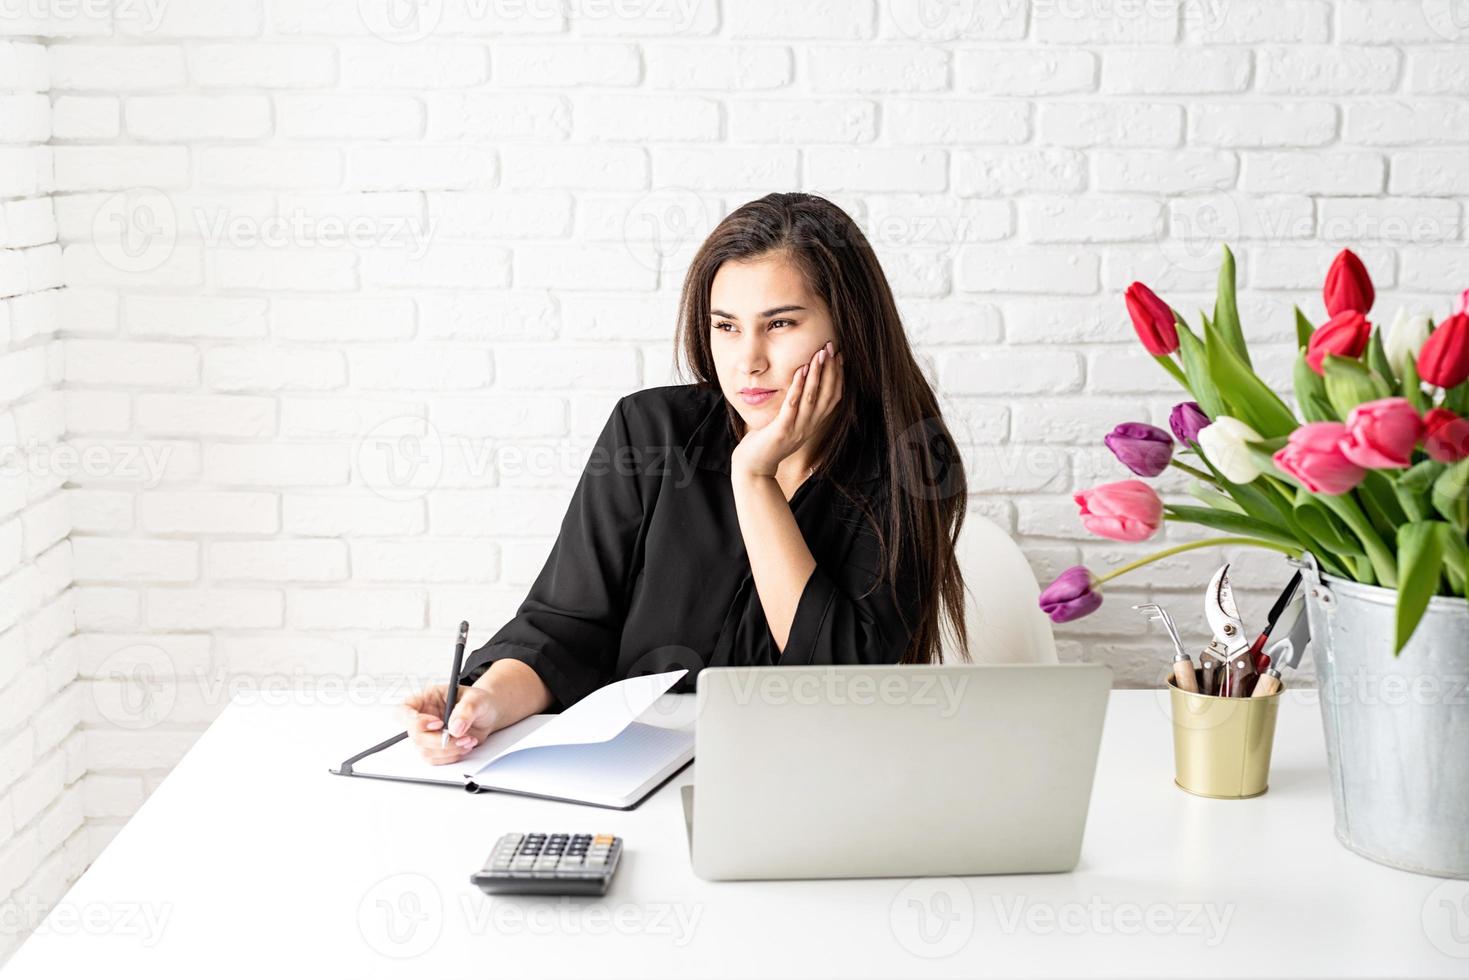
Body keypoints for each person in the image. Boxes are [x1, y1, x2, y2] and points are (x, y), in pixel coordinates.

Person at [401, 192, 970, 764]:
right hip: (626, 777)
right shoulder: (650, 433)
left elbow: (834, 679)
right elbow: (566, 625)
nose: (749, 360)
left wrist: (753, 477)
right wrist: (485, 703)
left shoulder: (912, 463)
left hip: (804, 782)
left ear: (847, 327)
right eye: (727, 326)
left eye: (780, 324)